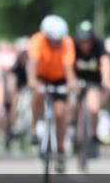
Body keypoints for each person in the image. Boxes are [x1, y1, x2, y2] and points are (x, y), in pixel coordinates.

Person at [28, 15, 80, 172]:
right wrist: (32, 80)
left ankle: (61, 147)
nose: (56, 43)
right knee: (38, 95)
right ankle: (34, 127)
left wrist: (71, 82)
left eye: (58, 40)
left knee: (60, 113)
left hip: (60, 78)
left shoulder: (67, 43)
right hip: (41, 76)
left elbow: (68, 66)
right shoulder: (37, 40)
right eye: (52, 40)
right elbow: (33, 62)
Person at [71, 20, 110, 157]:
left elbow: (105, 61)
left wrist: (106, 79)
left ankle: (94, 135)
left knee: (94, 108)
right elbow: (67, 64)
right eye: (82, 40)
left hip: (93, 81)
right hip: (75, 80)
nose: (85, 44)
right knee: (71, 107)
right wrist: (72, 81)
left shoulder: (98, 45)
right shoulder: (72, 46)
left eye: (88, 40)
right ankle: (73, 131)